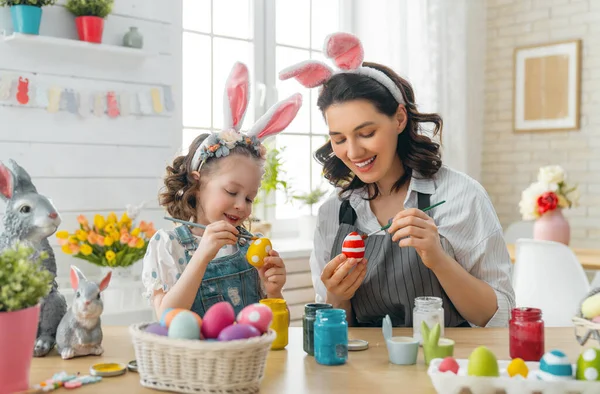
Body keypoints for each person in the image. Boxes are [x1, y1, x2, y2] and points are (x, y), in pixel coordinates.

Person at [280, 32, 515, 328]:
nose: (353, 152)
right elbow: (338, 329)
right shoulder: (334, 212)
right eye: (339, 139)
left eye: (366, 133)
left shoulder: (461, 196)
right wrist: (337, 297)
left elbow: (500, 316)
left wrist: (438, 258)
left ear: (400, 119)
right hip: (364, 371)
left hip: (445, 367)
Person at [142, 62, 303, 319]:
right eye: (231, 191)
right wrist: (202, 254)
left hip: (247, 359)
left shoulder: (250, 245)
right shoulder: (168, 246)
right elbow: (166, 316)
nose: (242, 205)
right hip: (195, 360)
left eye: (250, 198)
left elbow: (273, 328)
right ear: (198, 182)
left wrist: (274, 292)